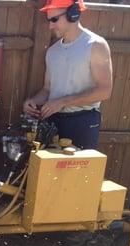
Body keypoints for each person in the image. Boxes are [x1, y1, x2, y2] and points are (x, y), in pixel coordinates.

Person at [23, 0, 113, 149]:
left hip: (82, 122)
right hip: (53, 123)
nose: (50, 25)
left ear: (73, 14)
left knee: (78, 172)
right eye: (49, 20)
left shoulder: (96, 45)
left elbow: (104, 91)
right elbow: (47, 90)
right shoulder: (53, 51)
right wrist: (32, 102)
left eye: (54, 19)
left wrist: (63, 102)